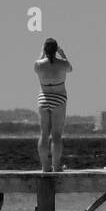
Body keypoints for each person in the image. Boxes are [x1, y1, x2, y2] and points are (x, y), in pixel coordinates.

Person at [34, 38, 72, 173]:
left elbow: (37, 64)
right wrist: (62, 54)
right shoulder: (63, 64)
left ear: (45, 49)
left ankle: (45, 167)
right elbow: (70, 68)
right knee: (56, 135)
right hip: (59, 98)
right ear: (56, 49)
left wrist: (42, 52)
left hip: (43, 99)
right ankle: (56, 167)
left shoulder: (38, 65)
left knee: (44, 134)